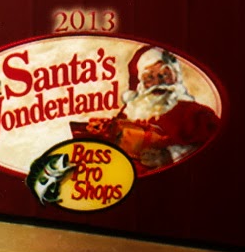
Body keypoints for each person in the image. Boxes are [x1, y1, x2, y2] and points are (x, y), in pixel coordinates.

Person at [83, 46, 220, 171]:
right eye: (149, 77)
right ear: (139, 83)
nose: (158, 82)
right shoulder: (130, 109)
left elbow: (210, 156)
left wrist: (168, 157)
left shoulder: (196, 115)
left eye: (165, 74)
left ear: (176, 77)